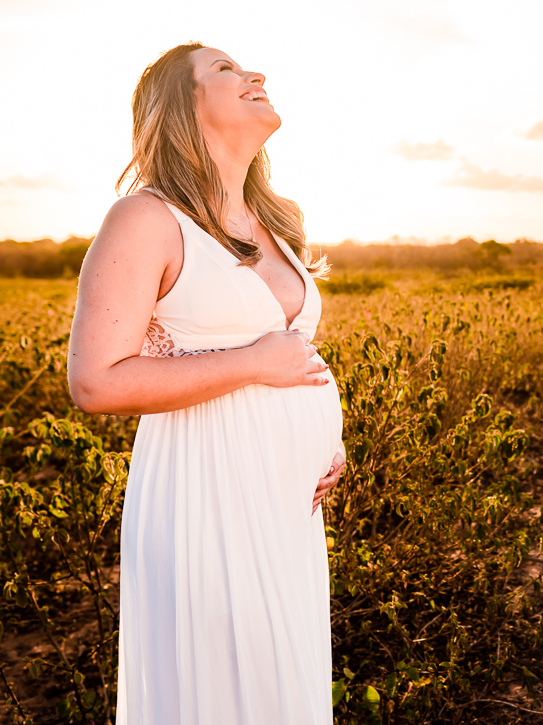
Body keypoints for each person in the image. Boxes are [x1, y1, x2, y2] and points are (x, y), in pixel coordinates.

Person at [67, 42, 346, 724]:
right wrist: (253, 364)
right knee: (223, 692)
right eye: (224, 69)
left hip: (287, 511)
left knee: (284, 692)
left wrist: (324, 443)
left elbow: (293, 352)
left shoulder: (278, 221)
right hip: (203, 496)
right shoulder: (147, 219)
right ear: (183, 108)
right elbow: (95, 382)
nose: (254, 74)